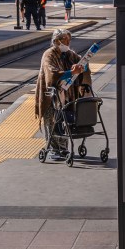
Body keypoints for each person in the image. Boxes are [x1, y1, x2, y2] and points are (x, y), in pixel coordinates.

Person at [35, 28, 87, 160]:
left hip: (67, 93)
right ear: (57, 41)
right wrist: (71, 72)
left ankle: (63, 149)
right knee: (51, 121)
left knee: (64, 120)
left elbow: (82, 62)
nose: (68, 42)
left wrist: (83, 67)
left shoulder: (70, 54)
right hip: (50, 94)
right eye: (65, 39)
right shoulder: (49, 54)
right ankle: (53, 149)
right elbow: (51, 74)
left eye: (69, 40)